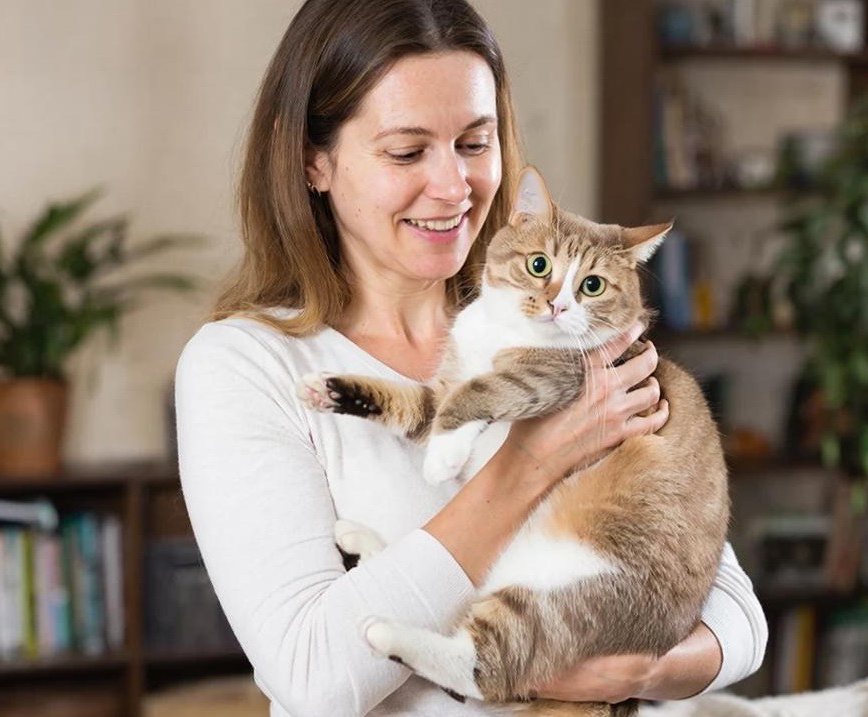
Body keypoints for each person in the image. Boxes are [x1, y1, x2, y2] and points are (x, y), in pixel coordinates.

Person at [175, 1, 767, 715]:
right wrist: (531, 460)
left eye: (475, 143)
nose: (455, 187)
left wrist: (622, 672)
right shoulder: (244, 366)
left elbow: (736, 616)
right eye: (407, 151)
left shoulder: (559, 330)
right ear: (312, 160)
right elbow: (313, 677)